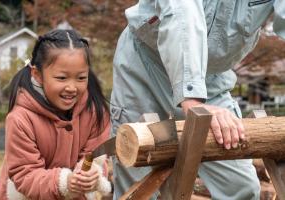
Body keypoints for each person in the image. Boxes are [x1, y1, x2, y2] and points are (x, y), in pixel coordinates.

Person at [110, 1, 285, 199]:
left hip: (212, 80)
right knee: (137, 182)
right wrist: (193, 102)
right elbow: (180, 10)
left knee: (241, 187)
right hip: (145, 66)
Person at [0, 29, 111, 200]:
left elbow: (95, 158)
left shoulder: (95, 111)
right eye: (62, 78)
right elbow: (25, 175)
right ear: (38, 75)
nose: (72, 87)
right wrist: (65, 181)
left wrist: (90, 174)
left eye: (80, 78)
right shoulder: (20, 119)